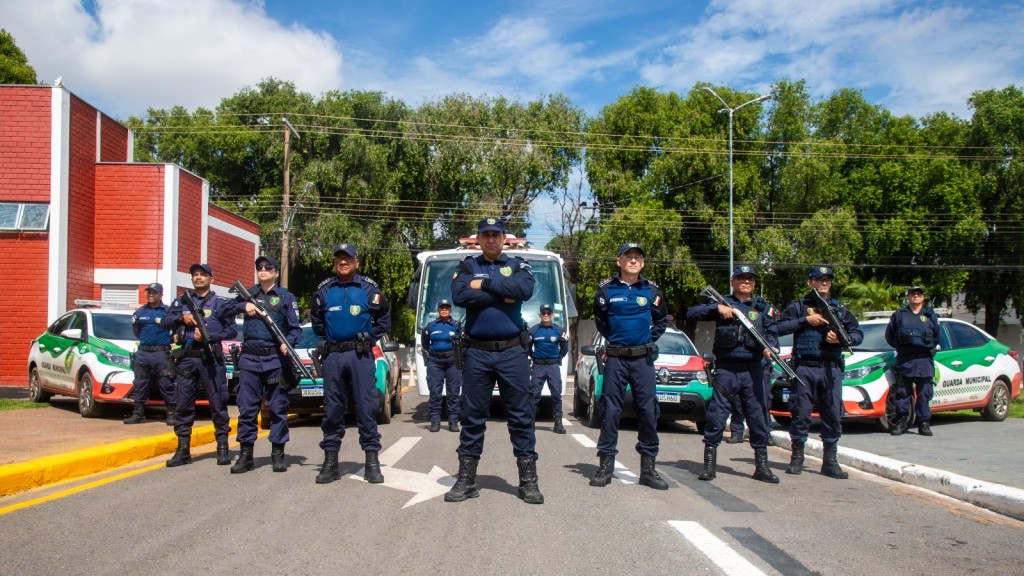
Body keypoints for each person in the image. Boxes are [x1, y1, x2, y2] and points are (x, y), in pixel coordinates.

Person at [444, 217, 542, 505]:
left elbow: (523, 291)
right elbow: (460, 295)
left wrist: (484, 285)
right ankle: (467, 480)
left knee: (521, 417)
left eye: (495, 235)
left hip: (512, 352)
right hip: (477, 352)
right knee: (472, 417)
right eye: (485, 235)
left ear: (503, 238)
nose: (490, 239)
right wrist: (502, 293)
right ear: (478, 238)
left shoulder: (518, 264)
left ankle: (528, 481)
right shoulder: (467, 266)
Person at [686, 265, 779, 484]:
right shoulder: (722, 303)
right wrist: (716, 308)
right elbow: (692, 313)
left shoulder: (763, 308)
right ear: (732, 282)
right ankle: (709, 465)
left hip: (753, 370)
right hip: (726, 369)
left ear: (754, 283)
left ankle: (762, 466)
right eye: (741, 278)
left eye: (750, 278)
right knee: (717, 415)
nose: (746, 281)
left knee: (757, 416)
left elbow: (772, 333)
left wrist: (771, 347)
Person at [589, 242, 669, 490]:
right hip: (616, 358)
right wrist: (619, 340)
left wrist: (645, 340)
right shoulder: (606, 291)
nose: (633, 261)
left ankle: (648, 469)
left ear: (642, 263)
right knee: (611, 411)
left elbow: (661, 320)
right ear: (619, 261)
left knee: (648, 411)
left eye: (637, 258)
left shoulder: (651, 291)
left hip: (643, 360)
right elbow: (601, 321)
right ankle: (605, 466)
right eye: (628, 256)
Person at [310, 243, 391, 485]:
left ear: (357, 262)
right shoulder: (325, 290)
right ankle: (331, 462)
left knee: (366, 407)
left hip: (360, 355)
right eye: (339, 259)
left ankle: (372, 462)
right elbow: (316, 322)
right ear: (334, 263)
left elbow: (384, 319)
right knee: (333, 409)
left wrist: (370, 337)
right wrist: (333, 337)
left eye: (347, 258)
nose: (343, 262)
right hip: (334, 356)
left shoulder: (368, 289)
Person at [777, 266, 863, 479]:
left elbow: (857, 333)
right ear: (810, 283)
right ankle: (797, 457)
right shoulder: (799, 306)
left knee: (832, 413)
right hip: (805, 367)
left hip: (831, 368)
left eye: (827, 280)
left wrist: (842, 339)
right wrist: (806, 321)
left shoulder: (839, 308)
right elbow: (778, 327)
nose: (824, 283)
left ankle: (830, 461)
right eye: (819, 279)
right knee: (801, 412)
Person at [223, 255, 302, 473]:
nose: (263, 270)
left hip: (275, 359)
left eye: (268, 267)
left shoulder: (286, 297)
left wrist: (289, 343)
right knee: (247, 409)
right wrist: (244, 305)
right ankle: (246, 455)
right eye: (260, 267)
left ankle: (278, 453)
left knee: (277, 407)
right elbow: (223, 311)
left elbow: (295, 329)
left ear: (276, 272)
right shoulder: (247, 293)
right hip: (249, 359)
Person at [162, 264, 236, 468]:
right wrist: (182, 318)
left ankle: (222, 447)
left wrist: (210, 336)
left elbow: (231, 331)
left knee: (218, 403)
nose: (198, 278)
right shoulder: (182, 301)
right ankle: (183, 449)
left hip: (211, 358)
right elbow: (165, 322)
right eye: (195, 275)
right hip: (187, 358)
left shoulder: (220, 303)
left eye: (203, 274)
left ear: (211, 279)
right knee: (183, 404)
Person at [885, 286, 940, 437]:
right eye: (913, 294)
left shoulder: (930, 315)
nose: (916, 296)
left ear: (923, 298)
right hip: (906, 360)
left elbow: (937, 336)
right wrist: (903, 349)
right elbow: (890, 335)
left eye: (919, 294)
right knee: (903, 393)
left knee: (924, 393)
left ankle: (923, 423)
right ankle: (902, 421)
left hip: (924, 359)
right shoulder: (899, 315)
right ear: (908, 297)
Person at [124, 282, 175, 425]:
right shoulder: (140, 312)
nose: (151, 295)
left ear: (161, 295)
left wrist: (168, 340)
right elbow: (137, 330)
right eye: (149, 292)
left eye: (154, 292)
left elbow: (176, 328)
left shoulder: (168, 311)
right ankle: (138, 414)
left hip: (161, 354)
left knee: (166, 383)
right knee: (140, 383)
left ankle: (171, 414)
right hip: (143, 353)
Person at [421, 298, 462, 433]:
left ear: (450, 310)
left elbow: (462, 341)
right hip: (435, 361)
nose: (444, 310)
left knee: (453, 392)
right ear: (438, 310)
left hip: (452, 361)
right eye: (442, 308)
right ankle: (435, 421)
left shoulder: (457, 325)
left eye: (446, 307)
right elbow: (425, 342)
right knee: (435, 392)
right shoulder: (431, 326)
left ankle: (453, 422)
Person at [529, 303, 569, 434]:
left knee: (556, 394)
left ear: (552, 315)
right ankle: (530, 423)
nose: (546, 315)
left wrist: (558, 358)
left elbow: (565, 347)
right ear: (540, 315)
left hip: (553, 366)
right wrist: (533, 357)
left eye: (548, 313)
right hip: (538, 366)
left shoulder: (559, 330)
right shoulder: (533, 330)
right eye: (543, 313)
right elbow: (527, 347)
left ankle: (558, 423)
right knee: (534, 395)